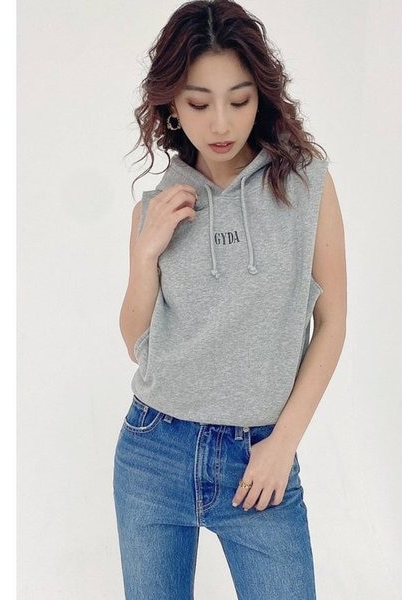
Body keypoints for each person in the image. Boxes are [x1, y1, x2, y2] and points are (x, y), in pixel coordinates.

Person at [113, 1, 347, 598]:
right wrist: (145, 254)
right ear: (171, 104)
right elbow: (137, 343)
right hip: (153, 450)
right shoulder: (156, 207)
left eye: (239, 101)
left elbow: (332, 321)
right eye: (199, 103)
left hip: (259, 457)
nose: (221, 123)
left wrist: (283, 444)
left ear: (260, 97)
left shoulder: (306, 185)